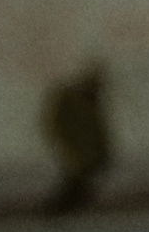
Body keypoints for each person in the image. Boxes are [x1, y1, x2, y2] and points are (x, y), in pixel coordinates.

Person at [41, 62, 111, 215]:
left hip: (86, 152)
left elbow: (98, 131)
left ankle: (67, 207)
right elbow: (57, 123)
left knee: (79, 181)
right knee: (75, 181)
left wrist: (103, 150)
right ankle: (58, 208)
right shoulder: (72, 99)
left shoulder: (89, 102)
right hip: (78, 151)